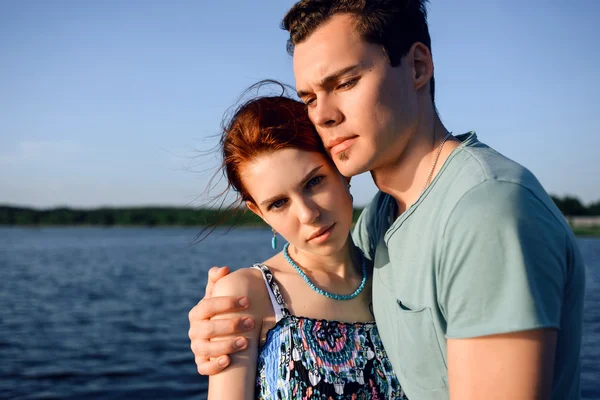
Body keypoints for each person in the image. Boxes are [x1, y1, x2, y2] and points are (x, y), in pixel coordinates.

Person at [189, 1, 585, 399]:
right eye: (309, 98)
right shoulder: (377, 221)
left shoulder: (486, 211)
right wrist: (217, 324)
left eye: (345, 83)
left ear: (417, 66)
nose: (323, 115)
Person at [203, 92, 408, 399]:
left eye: (314, 182)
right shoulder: (247, 295)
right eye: (278, 203)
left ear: (341, 170)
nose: (308, 214)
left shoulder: (392, 278)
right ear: (259, 212)